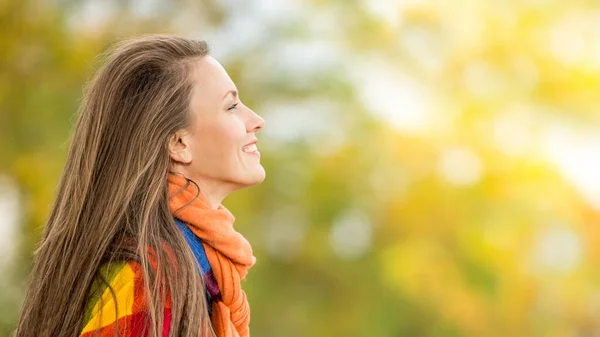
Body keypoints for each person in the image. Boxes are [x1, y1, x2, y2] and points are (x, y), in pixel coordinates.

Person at [15, 35, 265, 337]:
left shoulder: (188, 264)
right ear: (178, 143)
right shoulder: (154, 280)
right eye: (231, 107)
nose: (256, 120)